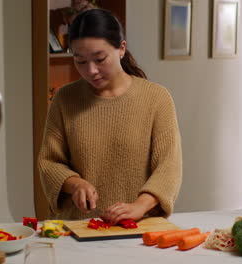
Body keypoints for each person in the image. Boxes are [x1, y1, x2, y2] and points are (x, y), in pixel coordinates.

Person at [38, 8, 182, 224]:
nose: (91, 71)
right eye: (80, 61)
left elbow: (169, 167)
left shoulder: (156, 98)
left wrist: (139, 206)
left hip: (139, 228)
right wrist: (74, 183)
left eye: (100, 59)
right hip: (78, 227)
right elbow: (49, 162)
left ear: (121, 49)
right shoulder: (64, 99)